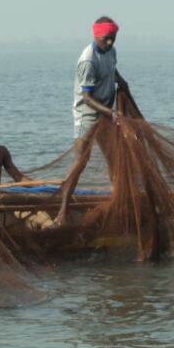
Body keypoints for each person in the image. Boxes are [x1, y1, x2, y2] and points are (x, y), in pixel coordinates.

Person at [54, 16, 140, 226]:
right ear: (96, 36)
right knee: (79, 163)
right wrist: (111, 114)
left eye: (113, 38)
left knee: (114, 160)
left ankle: (121, 203)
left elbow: (112, 69)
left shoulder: (111, 51)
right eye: (106, 39)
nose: (110, 42)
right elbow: (87, 98)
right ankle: (62, 213)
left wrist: (120, 80)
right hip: (88, 115)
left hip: (106, 112)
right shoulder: (88, 60)